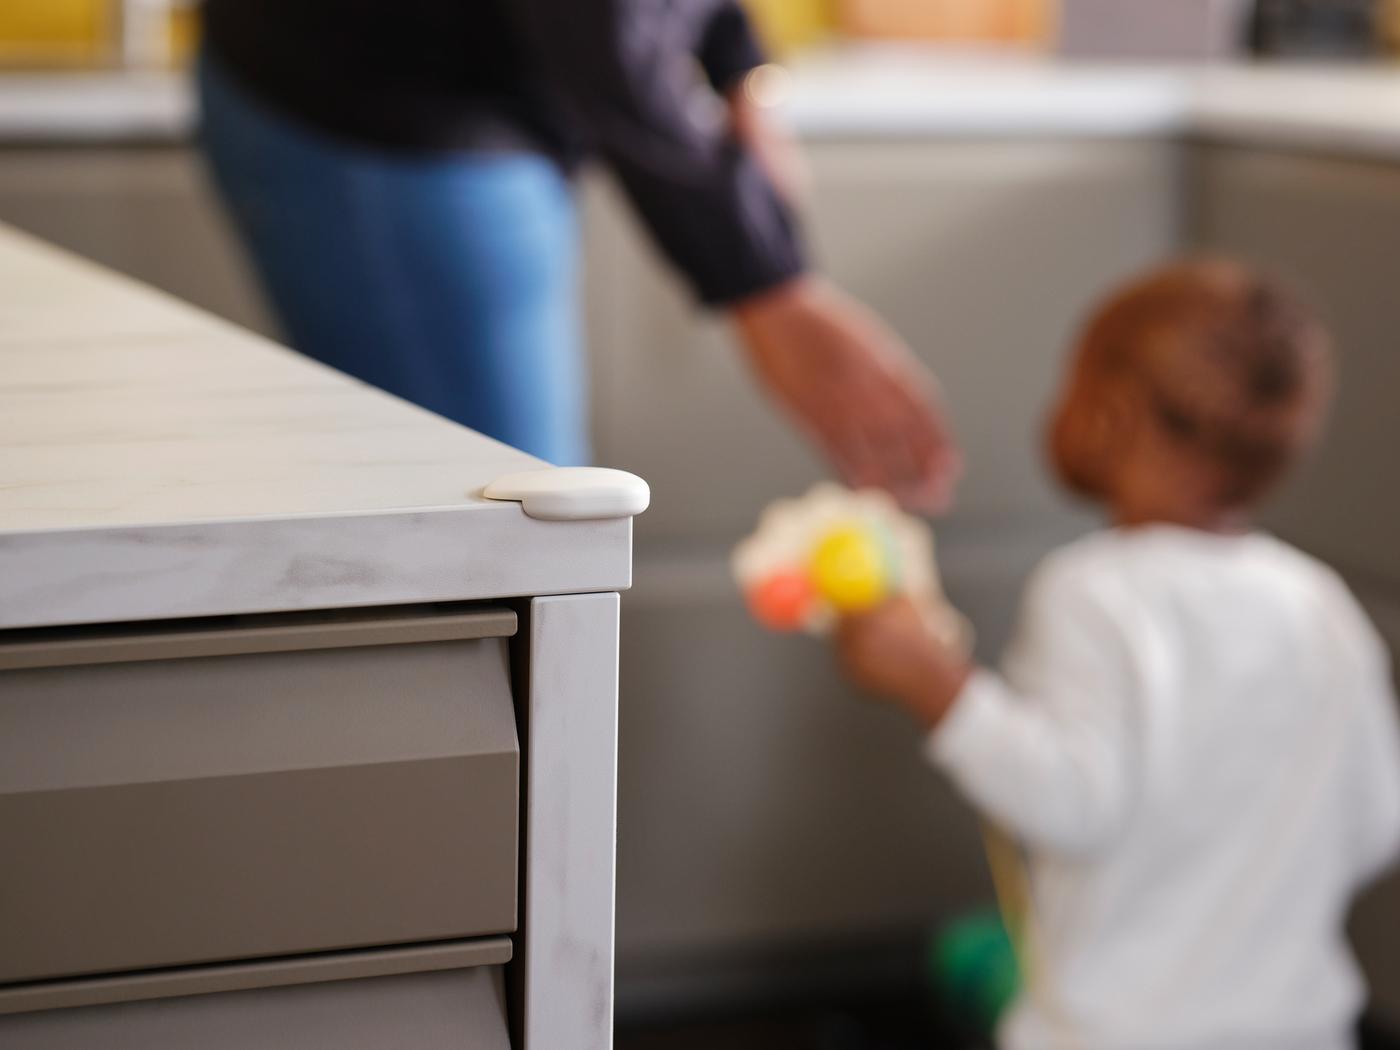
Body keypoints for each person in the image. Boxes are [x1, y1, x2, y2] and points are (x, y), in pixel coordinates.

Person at [837, 260, 1400, 1049]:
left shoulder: (1095, 593)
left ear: (1112, 412)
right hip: (1302, 1028)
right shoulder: (1321, 605)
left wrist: (939, 689)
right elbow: (1378, 817)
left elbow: (1070, 803)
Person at [195, 0, 958, 507]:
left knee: (522, 541)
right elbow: (602, 24)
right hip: (378, 105)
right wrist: (766, 285)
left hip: (458, 97)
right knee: (524, 537)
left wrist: (740, 68)